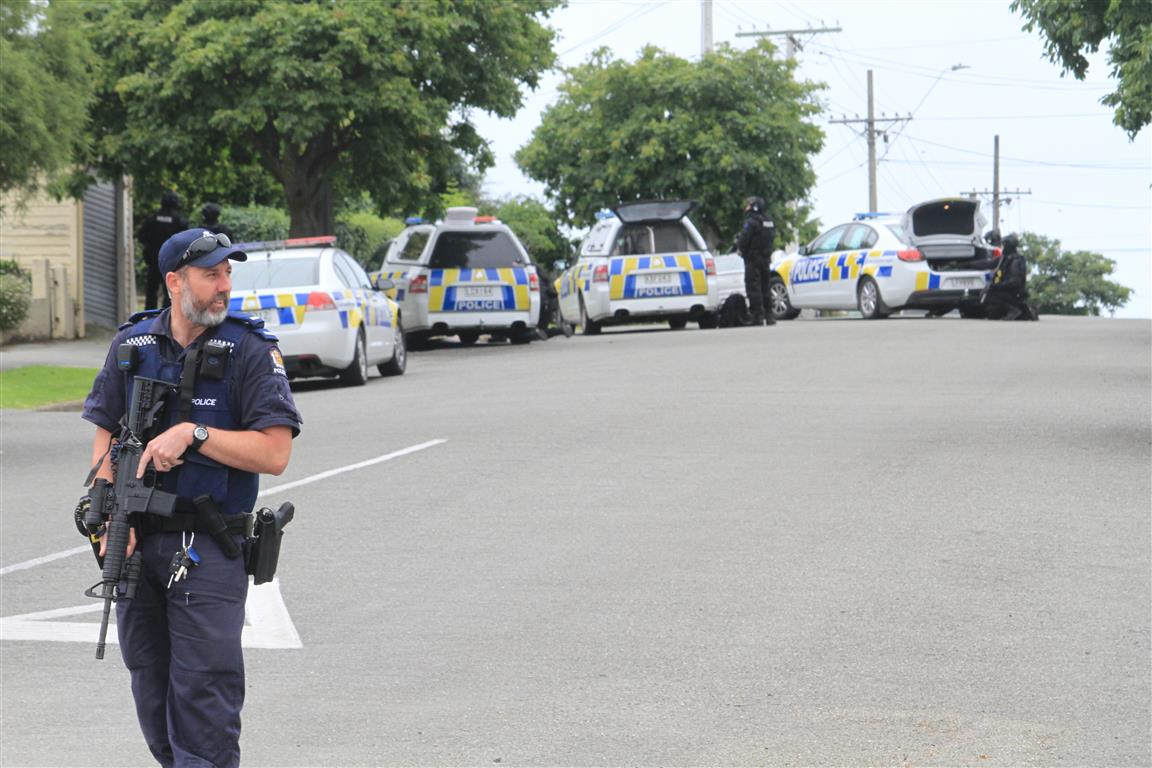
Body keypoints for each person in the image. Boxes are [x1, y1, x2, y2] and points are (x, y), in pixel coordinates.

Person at [81, 228, 302, 768]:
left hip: (206, 549)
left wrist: (196, 435)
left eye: (228, 273)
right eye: (212, 275)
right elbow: (106, 435)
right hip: (134, 547)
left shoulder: (250, 349)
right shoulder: (132, 345)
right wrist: (108, 512)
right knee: (151, 691)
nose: (225, 286)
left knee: (204, 697)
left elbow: (274, 453)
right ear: (175, 281)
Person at [137, 192, 189, 311]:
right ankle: (167, 316)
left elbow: (141, 237)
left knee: (151, 290)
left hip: (153, 260)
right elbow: (185, 241)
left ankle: (150, 315)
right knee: (170, 291)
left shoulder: (152, 218)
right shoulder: (179, 220)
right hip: (172, 261)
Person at [736, 196, 777, 326]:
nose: (746, 207)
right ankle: (770, 316)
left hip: (752, 260)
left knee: (754, 288)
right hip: (766, 259)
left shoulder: (751, 221)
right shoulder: (769, 221)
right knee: (766, 287)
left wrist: (740, 248)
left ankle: (757, 317)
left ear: (754, 206)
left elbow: (743, 240)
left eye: (749, 204)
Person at [981, 233, 1037, 320]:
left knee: (990, 294)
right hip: (1010, 294)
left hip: (1013, 294)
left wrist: (996, 286)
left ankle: (1013, 310)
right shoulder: (1005, 258)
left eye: (1004, 245)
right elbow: (988, 263)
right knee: (992, 313)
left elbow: (1015, 282)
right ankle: (1024, 312)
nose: (1003, 247)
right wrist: (965, 264)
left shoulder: (1014, 261)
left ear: (1008, 246)